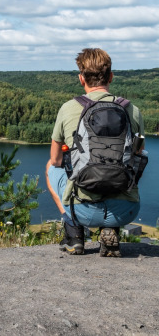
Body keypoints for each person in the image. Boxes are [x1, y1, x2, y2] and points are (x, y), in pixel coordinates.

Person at [46, 48, 144, 257]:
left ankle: (74, 236)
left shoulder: (68, 108)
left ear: (81, 78)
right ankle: (110, 230)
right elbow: (138, 154)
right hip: (125, 210)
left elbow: (55, 159)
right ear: (111, 77)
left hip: (83, 211)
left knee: (50, 167)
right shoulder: (132, 110)